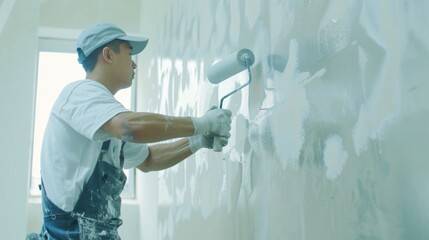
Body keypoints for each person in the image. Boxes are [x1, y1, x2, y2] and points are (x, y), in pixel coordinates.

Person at [33, 22, 232, 239]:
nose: (135, 65)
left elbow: (149, 160)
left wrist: (198, 140)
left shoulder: (105, 120)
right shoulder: (80, 93)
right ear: (108, 55)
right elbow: (129, 127)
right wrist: (203, 123)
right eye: (129, 54)